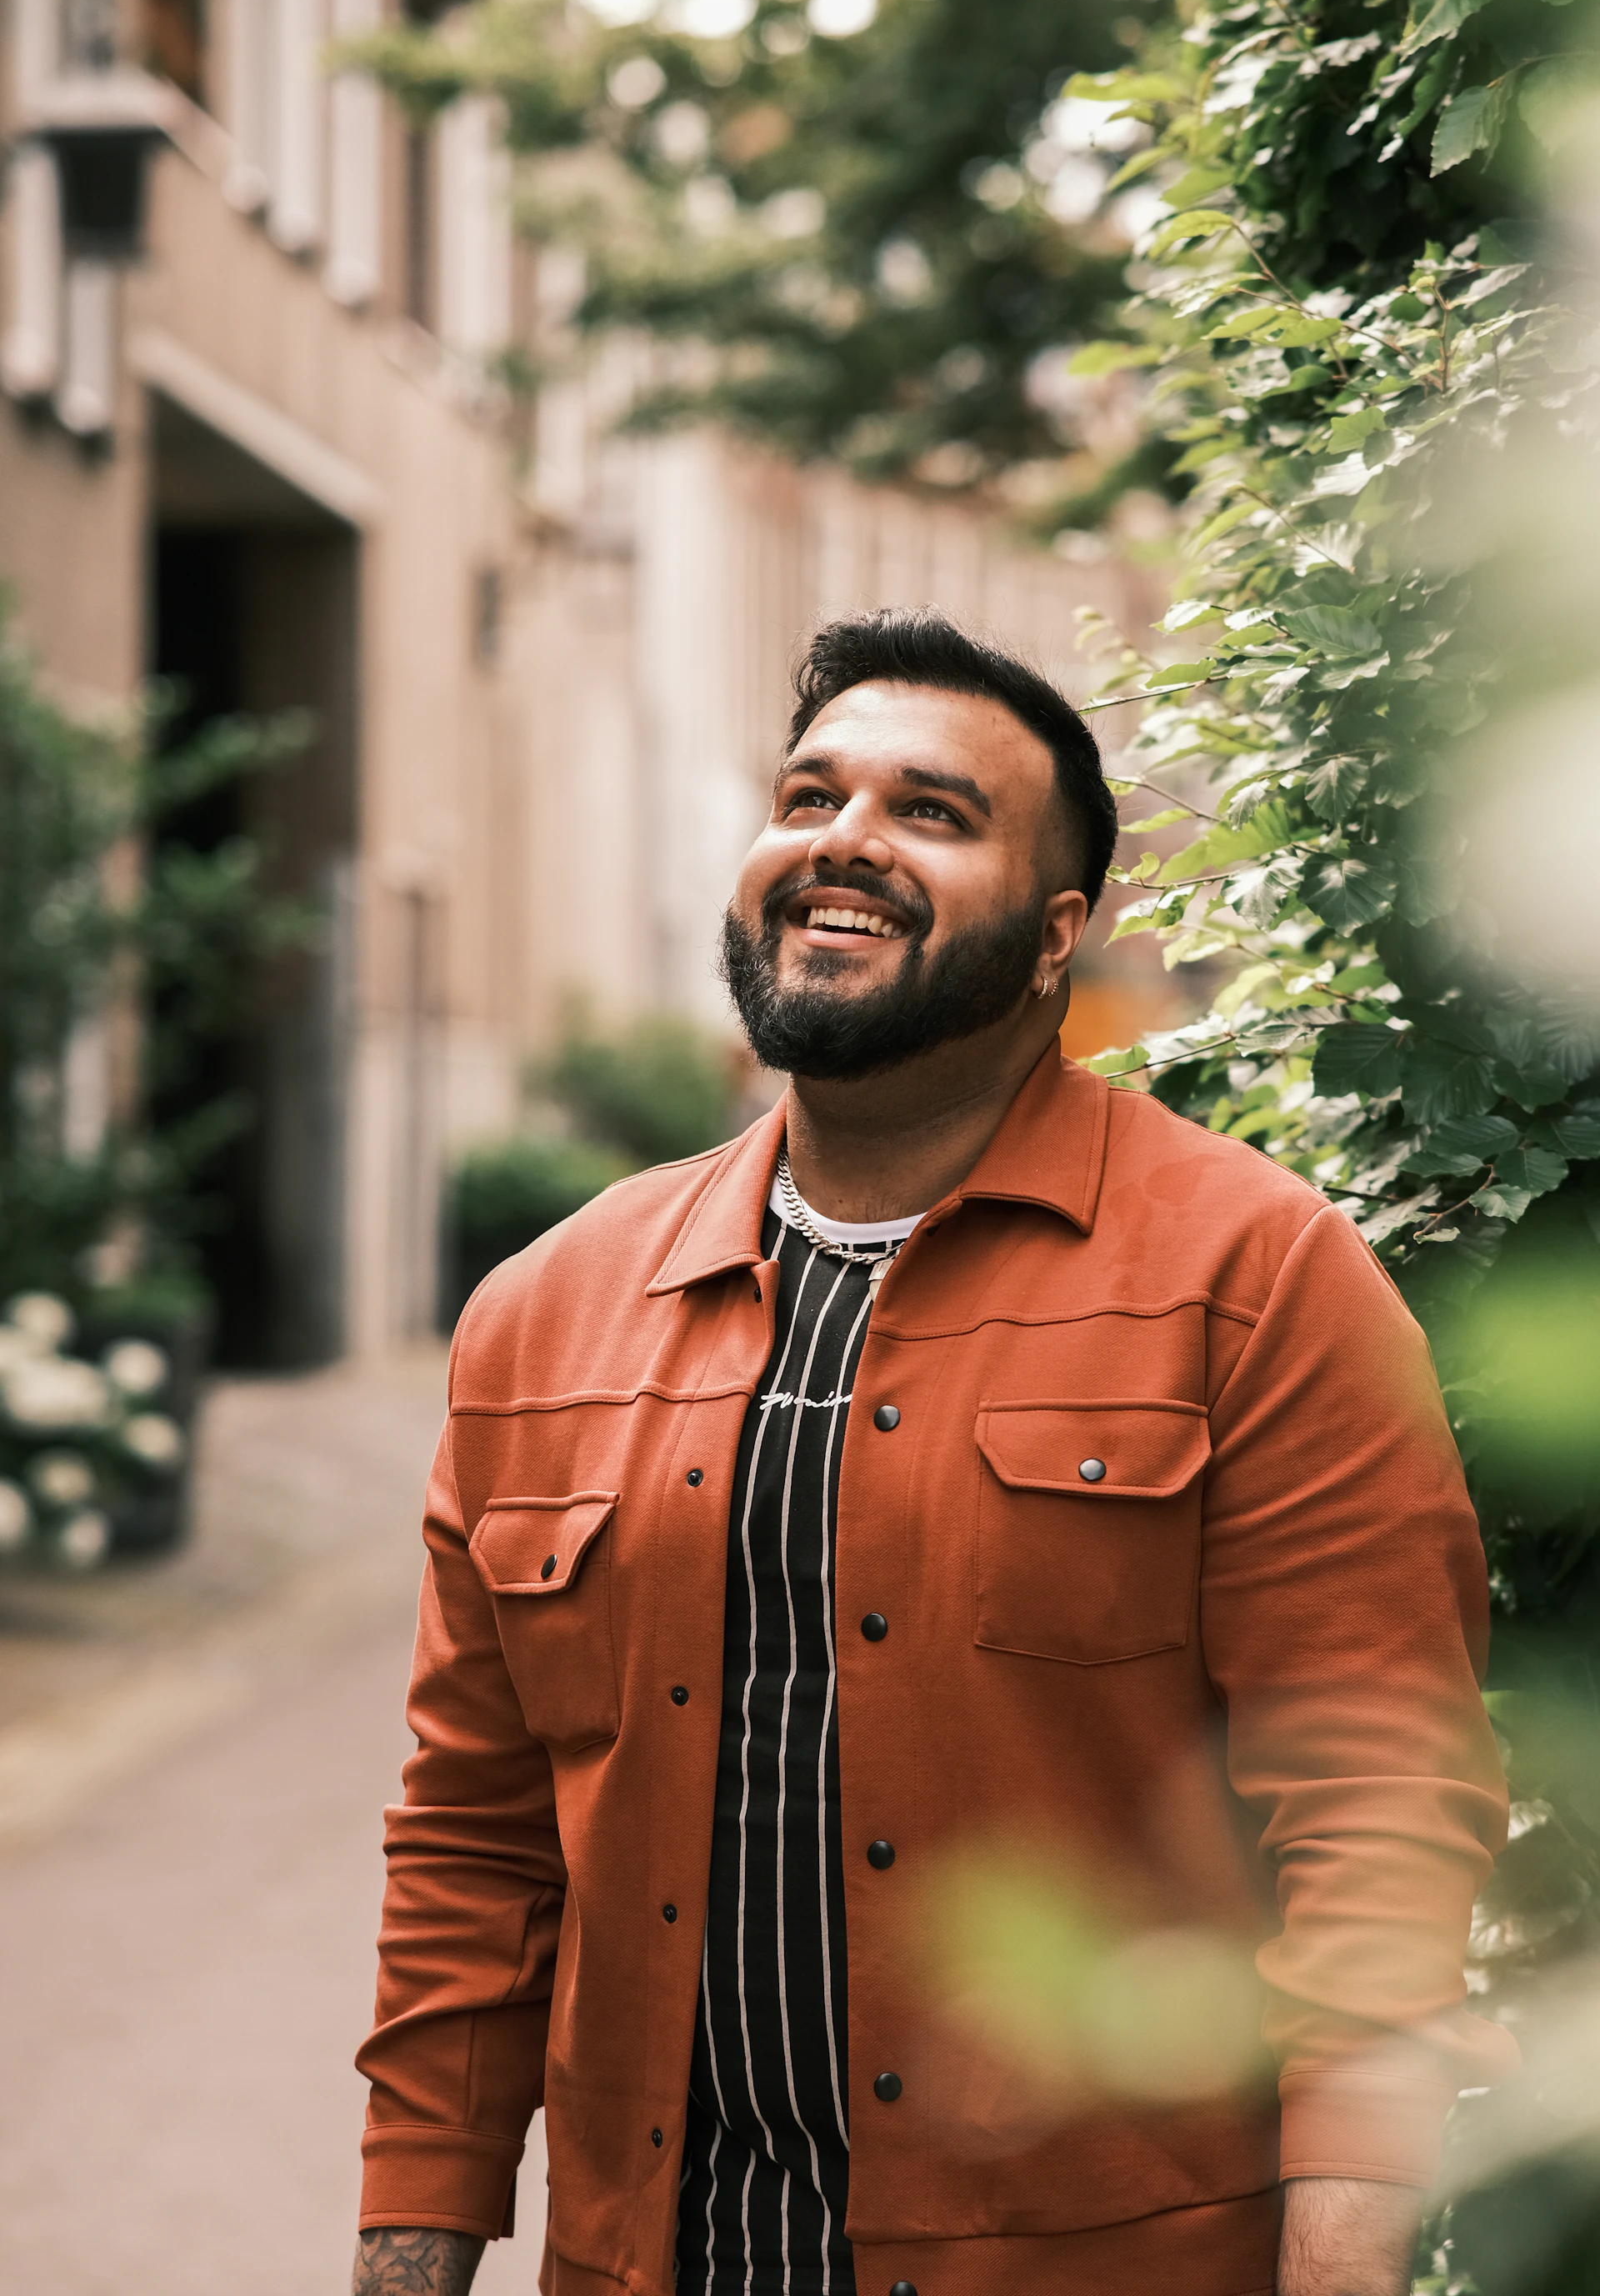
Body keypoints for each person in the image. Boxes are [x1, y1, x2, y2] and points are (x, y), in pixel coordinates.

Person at [352, 609, 1513, 2296]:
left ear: (1058, 938)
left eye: (931, 812)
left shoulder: (1253, 1281)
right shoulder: (548, 1315)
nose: (845, 841)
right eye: (809, 792)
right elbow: (476, 1846)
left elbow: (1377, 1845)